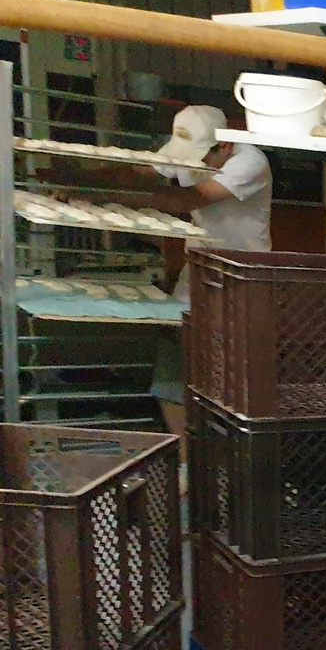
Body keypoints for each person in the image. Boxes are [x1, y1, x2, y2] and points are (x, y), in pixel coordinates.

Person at [100, 105, 272, 435]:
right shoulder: (188, 146)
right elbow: (140, 174)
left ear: (223, 146)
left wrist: (105, 196)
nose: (191, 166)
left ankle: (224, 461)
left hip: (241, 278)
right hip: (197, 270)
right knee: (172, 364)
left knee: (225, 377)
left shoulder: (250, 162)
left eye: (200, 158)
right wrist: (83, 177)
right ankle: (186, 463)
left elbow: (186, 200)